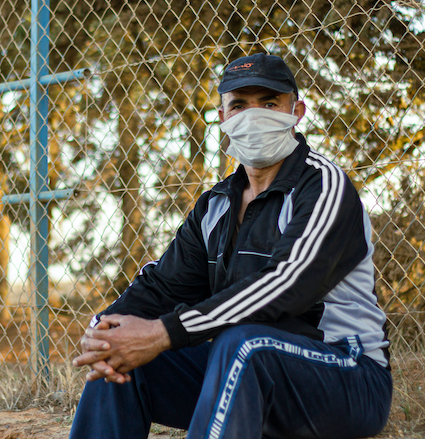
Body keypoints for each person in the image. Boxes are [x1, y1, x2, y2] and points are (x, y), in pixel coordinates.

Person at [69, 53, 392, 439]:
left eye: (269, 103)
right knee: (127, 357)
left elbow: (285, 285)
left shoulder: (324, 186)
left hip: (346, 375)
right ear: (222, 118)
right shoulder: (216, 205)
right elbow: (162, 286)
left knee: (242, 343)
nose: (253, 116)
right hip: (249, 375)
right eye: (239, 104)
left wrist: (162, 333)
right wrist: (104, 330)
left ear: (297, 111)